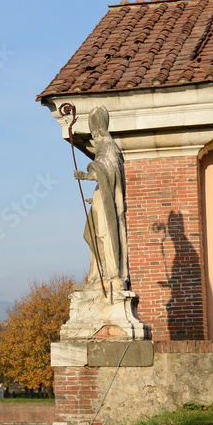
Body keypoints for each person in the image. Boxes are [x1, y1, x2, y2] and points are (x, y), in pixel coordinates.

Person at [73, 105, 129, 295]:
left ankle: (110, 275)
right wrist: (95, 197)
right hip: (101, 198)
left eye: (93, 134)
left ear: (97, 131)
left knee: (104, 236)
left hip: (107, 205)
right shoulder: (103, 147)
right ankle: (97, 275)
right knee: (90, 234)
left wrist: (86, 174)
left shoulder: (109, 147)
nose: (93, 138)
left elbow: (109, 170)